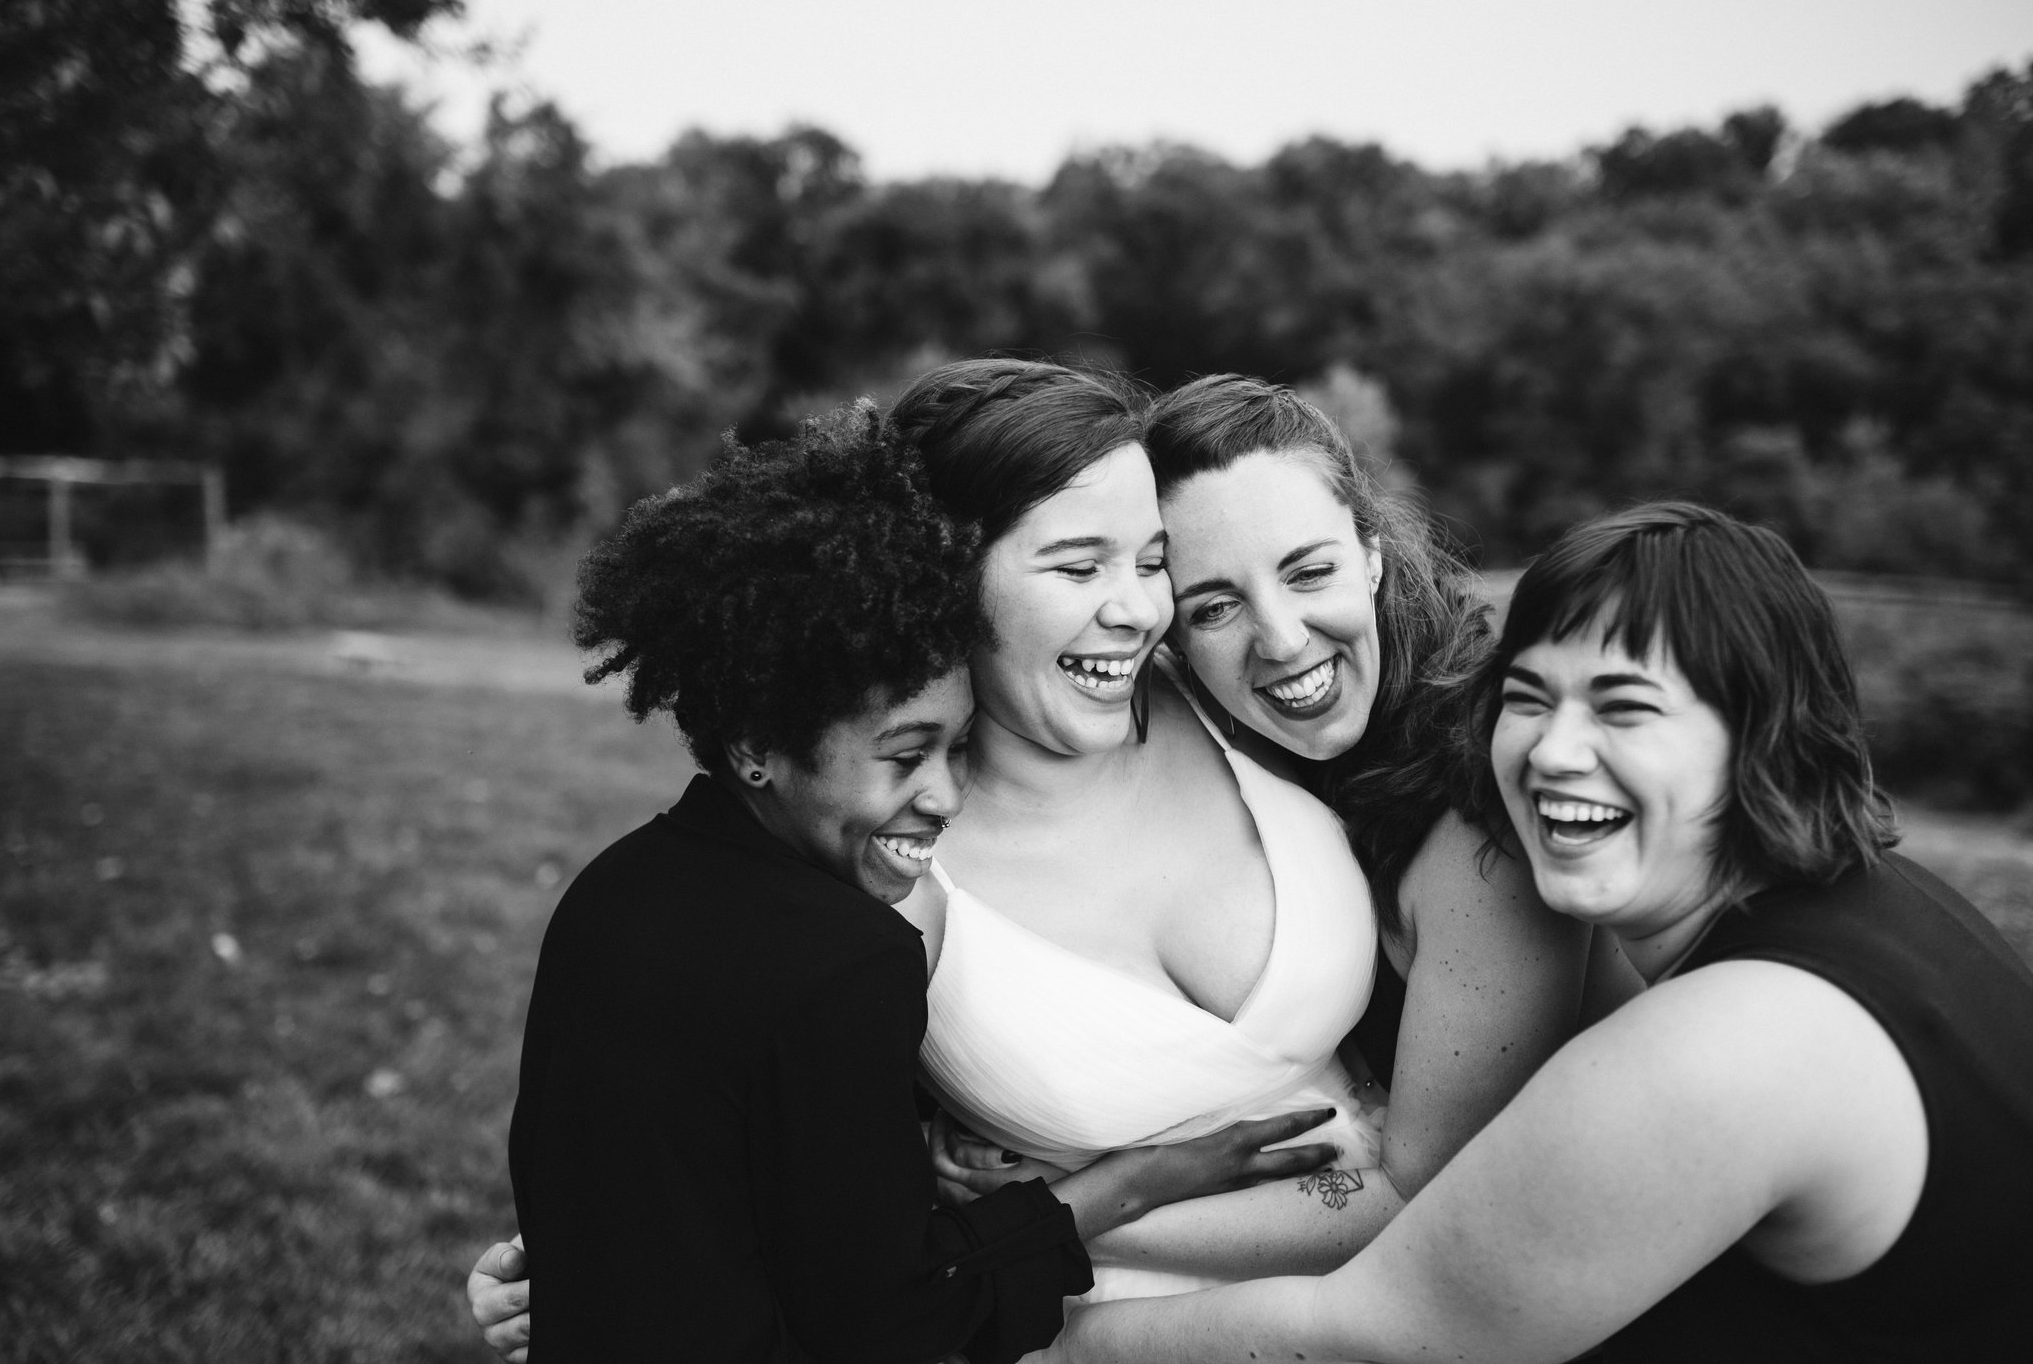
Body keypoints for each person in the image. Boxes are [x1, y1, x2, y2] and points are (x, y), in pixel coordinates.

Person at [470, 362, 1606, 1347]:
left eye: (1150, 559)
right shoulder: (894, 861)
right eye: (1077, 567)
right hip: (1101, 1322)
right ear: (953, 576)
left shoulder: (1220, 687)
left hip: (1427, 1276)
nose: (1137, 609)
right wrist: (580, 1260)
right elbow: (768, 1128)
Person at [1048, 502, 2033, 1363]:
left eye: (1624, 708)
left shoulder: (1723, 1044)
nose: (1553, 752)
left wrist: (1035, 1341)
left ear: (1757, 732)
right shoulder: (1891, 902)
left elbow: (1368, 1329)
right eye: (1527, 698)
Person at [503, 402, 1339, 1364]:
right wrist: (1139, 1180)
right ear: (755, 748)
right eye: (905, 757)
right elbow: (897, 1318)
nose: (943, 794)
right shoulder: (847, 960)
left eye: (956, 745)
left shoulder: (613, 888)